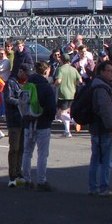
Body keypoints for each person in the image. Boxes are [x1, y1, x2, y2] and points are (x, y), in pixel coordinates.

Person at [22, 61, 56, 191]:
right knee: (42, 153)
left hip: (28, 121)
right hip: (43, 123)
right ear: (46, 71)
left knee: (27, 152)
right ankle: (41, 181)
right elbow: (51, 108)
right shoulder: (46, 87)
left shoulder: (28, 84)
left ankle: (26, 180)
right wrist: (49, 119)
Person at [87, 60, 112, 197]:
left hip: (96, 128)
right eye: (109, 71)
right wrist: (111, 128)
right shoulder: (101, 88)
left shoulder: (96, 85)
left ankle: (93, 187)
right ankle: (103, 187)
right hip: (103, 129)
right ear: (101, 72)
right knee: (105, 160)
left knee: (95, 159)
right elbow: (105, 109)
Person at [54, 57, 82, 137]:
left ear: (62, 60)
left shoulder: (60, 69)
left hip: (63, 93)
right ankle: (68, 129)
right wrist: (73, 84)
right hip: (72, 92)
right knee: (62, 112)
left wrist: (54, 85)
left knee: (63, 113)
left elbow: (59, 80)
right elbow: (80, 81)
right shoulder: (73, 69)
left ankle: (72, 125)